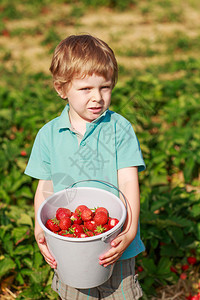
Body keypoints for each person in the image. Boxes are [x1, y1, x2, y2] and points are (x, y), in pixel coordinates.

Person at [25, 34, 146, 300]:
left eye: (105, 87)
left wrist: (130, 230)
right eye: (86, 89)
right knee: (76, 295)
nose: (98, 98)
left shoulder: (119, 129)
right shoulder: (48, 135)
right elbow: (45, 187)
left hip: (115, 240)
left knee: (122, 294)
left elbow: (128, 182)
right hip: (70, 245)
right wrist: (40, 228)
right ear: (61, 89)